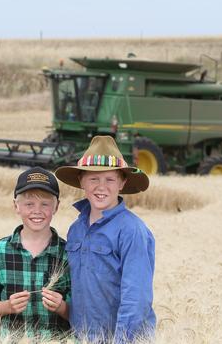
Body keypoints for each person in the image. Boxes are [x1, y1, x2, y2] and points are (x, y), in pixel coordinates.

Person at [54, 135, 156, 343]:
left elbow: (136, 297)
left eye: (109, 179)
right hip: (82, 337)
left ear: (122, 182)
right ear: (81, 181)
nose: (101, 187)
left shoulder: (131, 230)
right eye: (93, 179)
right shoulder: (76, 229)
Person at [0, 167, 71, 342]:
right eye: (29, 204)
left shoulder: (68, 253)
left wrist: (61, 307)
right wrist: (7, 306)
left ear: (56, 206)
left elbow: (83, 313)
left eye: (45, 204)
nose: (37, 210)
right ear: (16, 206)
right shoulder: (0, 250)